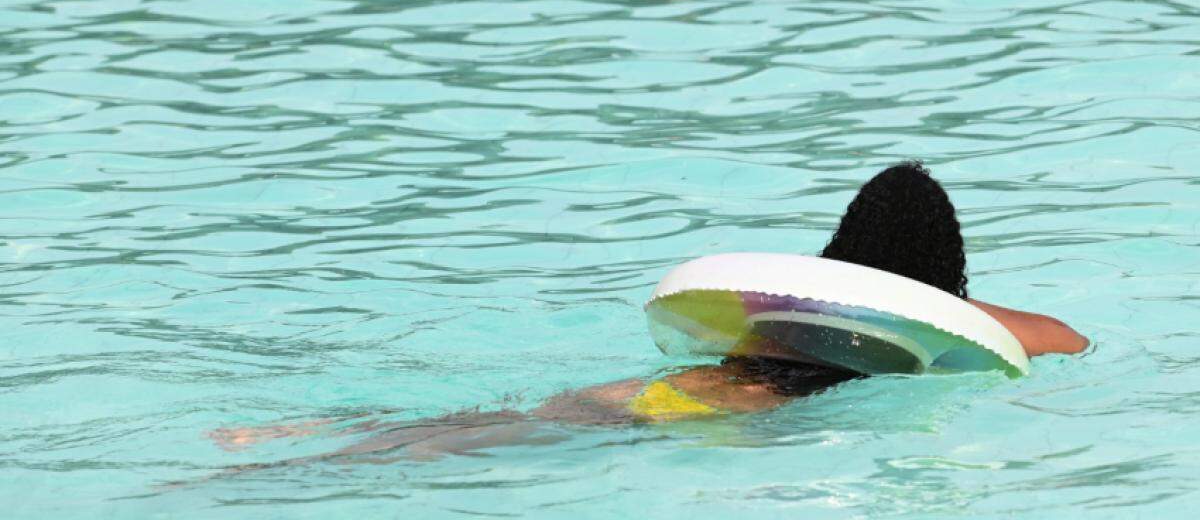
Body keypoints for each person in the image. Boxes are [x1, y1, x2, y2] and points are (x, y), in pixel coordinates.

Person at [209, 163, 1087, 460]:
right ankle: (301, 461)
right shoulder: (993, 329)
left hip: (716, 382)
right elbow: (1066, 343)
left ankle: (308, 433)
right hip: (757, 412)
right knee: (528, 439)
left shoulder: (799, 308)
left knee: (524, 419)